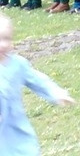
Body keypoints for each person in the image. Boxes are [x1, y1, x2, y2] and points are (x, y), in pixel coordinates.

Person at [0, 13, 75, 155]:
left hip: (16, 129)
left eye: (7, 39)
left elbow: (38, 80)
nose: (3, 44)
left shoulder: (18, 64)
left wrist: (57, 93)